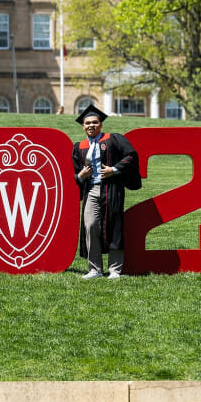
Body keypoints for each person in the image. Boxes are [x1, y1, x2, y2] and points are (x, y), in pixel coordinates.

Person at [71, 103, 142, 279]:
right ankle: (95, 269)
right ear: (83, 126)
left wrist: (114, 169)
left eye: (94, 122)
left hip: (112, 189)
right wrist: (80, 176)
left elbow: (131, 156)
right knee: (90, 225)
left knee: (114, 226)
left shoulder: (113, 139)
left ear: (100, 124)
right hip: (91, 190)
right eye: (87, 123)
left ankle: (115, 270)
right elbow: (74, 173)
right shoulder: (79, 147)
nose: (91, 126)